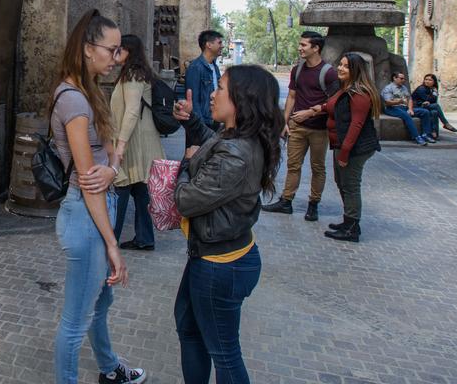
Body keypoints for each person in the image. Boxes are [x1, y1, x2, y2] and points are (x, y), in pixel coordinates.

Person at [51, 9, 145, 384]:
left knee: (100, 303)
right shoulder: (72, 100)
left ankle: (109, 369)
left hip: (96, 210)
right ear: (89, 49)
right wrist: (113, 244)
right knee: (75, 321)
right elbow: (90, 182)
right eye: (112, 49)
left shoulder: (88, 91)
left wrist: (113, 167)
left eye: (119, 49)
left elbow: (106, 159)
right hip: (86, 216)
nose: (117, 57)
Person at [172, 65, 282, 384]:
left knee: (224, 353)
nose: (212, 94)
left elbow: (186, 199)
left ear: (240, 100)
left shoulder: (236, 152)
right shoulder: (235, 138)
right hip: (213, 255)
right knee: (190, 328)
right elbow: (211, 145)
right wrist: (192, 121)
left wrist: (185, 164)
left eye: (220, 88)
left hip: (220, 266)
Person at [302, 52, 382, 243]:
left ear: (355, 70)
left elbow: (356, 125)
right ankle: (349, 221)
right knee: (342, 183)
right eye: (340, 64)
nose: (340, 68)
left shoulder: (360, 93)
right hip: (341, 145)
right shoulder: (344, 88)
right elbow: (331, 105)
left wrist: (345, 153)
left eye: (346, 66)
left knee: (351, 186)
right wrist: (316, 109)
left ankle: (352, 228)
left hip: (355, 147)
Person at [262, 31, 338, 221]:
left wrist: (311, 112)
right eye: (300, 44)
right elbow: (292, 96)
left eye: (304, 45)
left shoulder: (328, 73)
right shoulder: (297, 70)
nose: (300, 48)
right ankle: (286, 201)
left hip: (319, 129)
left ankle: (313, 204)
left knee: (317, 167)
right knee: (293, 165)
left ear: (315, 48)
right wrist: (284, 122)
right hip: (297, 126)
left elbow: (334, 102)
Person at [110, 34, 159, 252]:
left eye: (119, 49)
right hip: (139, 139)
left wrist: (120, 145)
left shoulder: (132, 75)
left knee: (121, 185)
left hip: (133, 141)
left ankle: (110, 238)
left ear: (130, 51)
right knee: (141, 190)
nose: (115, 53)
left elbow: (131, 112)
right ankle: (145, 238)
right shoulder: (135, 73)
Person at [183, 30, 223, 148]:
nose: (222, 46)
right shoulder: (196, 67)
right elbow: (193, 100)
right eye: (219, 43)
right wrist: (199, 126)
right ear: (208, 45)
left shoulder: (214, 67)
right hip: (202, 124)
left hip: (213, 121)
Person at [380, 71, 436, 145]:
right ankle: (417, 136)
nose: (403, 80)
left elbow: (409, 99)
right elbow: (387, 102)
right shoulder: (388, 88)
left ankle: (426, 134)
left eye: (404, 79)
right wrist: (399, 102)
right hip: (392, 108)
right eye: (401, 78)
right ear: (394, 78)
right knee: (406, 115)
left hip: (404, 107)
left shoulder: (403, 88)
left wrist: (410, 109)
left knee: (425, 112)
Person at [412, 74, 457, 138]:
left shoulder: (431, 89)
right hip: (417, 106)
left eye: (430, 80)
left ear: (434, 82)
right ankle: (445, 123)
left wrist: (430, 98)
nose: (427, 81)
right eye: (426, 79)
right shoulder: (421, 88)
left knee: (434, 112)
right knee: (436, 106)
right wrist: (434, 94)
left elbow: (432, 100)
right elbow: (428, 99)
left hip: (426, 106)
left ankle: (433, 131)